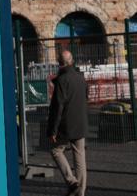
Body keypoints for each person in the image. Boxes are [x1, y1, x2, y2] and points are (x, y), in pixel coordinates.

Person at [47, 49, 88, 196]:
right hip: (80, 121)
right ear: (72, 61)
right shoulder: (81, 78)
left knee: (56, 150)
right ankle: (80, 192)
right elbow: (86, 97)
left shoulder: (62, 81)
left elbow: (58, 107)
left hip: (65, 124)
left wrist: (53, 130)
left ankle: (72, 182)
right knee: (79, 157)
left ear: (59, 63)